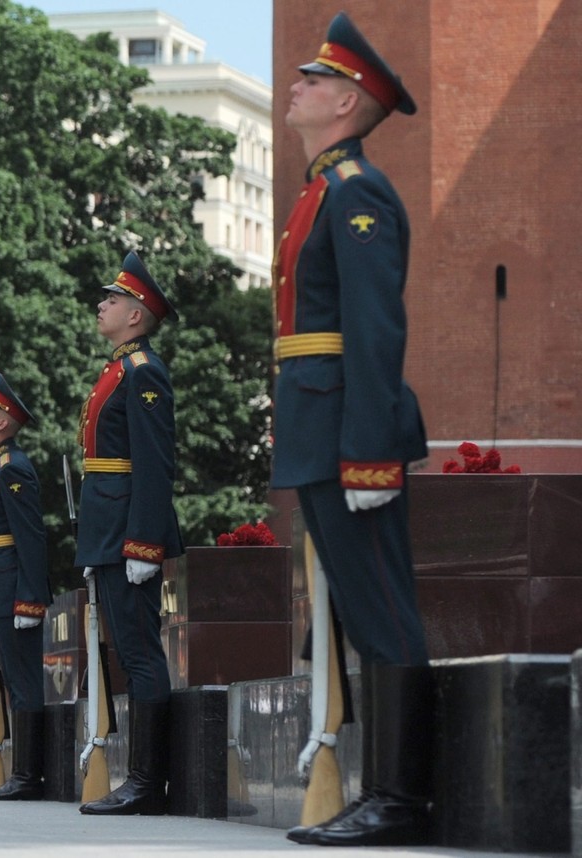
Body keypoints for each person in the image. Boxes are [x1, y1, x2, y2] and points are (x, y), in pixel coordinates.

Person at [272, 13, 431, 848]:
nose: (293, 87)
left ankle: (402, 797)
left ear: (345, 102)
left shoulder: (356, 191)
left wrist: (368, 454)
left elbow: (374, 329)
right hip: (318, 424)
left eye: (311, 79)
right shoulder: (322, 190)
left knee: (383, 617)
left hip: (347, 431)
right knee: (358, 618)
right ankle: (385, 791)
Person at [75, 252, 185, 816]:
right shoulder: (119, 370)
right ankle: (138, 778)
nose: (102, 304)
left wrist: (143, 543)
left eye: (113, 299)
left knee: (142, 656)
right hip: (109, 531)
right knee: (129, 654)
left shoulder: (144, 372)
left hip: (128, 535)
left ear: (137, 315)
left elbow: (153, 462)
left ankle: (147, 783)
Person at [0, 374, 51, 801]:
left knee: (23, 681)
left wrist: (29, 597)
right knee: (12, 681)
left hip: (13, 586)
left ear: (2, 422)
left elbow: (30, 536)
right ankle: (21, 772)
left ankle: (27, 776)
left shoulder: (12, 466)